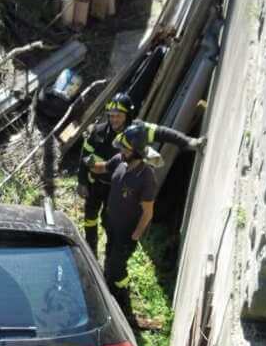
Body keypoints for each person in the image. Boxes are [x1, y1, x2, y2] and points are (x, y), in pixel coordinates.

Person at [85, 122, 205, 325]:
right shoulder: (119, 161)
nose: (121, 150)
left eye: (125, 148)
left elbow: (148, 212)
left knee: (116, 268)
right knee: (110, 263)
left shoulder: (145, 177)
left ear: (137, 152)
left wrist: (136, 235)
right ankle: (111, 289)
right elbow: (103, 167)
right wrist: (89, 163)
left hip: (127, 234)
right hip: (113, 227)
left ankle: (122, 298)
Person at [76, 92, 135, 254]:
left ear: (127, 115)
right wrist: (82, 182)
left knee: (110, 223)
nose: (114, 119)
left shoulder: (133, 137)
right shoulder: (97, 131)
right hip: (95, 185)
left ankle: (110, 254)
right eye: (111, 115)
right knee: (90, 217)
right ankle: (90, 249)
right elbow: (84, 156)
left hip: (116, 190)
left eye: (119, 116)